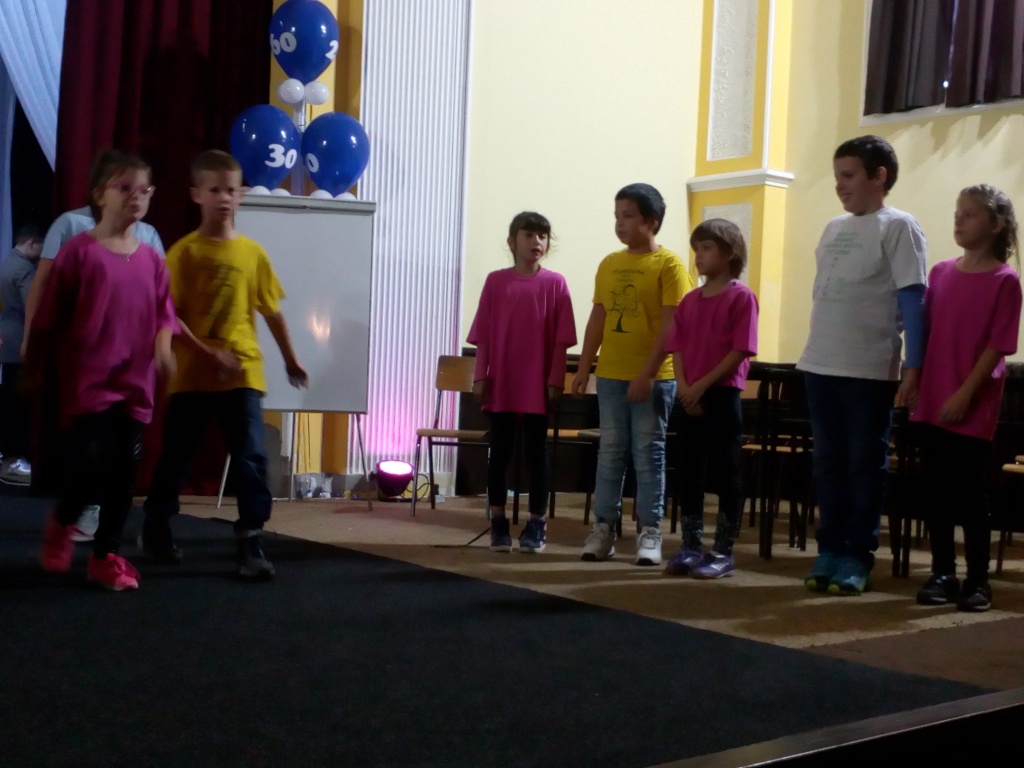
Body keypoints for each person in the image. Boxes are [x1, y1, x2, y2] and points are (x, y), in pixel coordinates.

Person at [139, 149, 308, 580]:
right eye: (214, 190)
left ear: (241, 195)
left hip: (243, 371)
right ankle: (157, 526)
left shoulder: (252, 253)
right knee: (178, 456)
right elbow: (167, 314)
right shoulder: (183, 253)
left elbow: (272, 311)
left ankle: (251, 538)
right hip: (194, 376)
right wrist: (204, 352)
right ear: (197, 194)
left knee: (250, 456)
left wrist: (290, 359)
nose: (224, 198)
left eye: (231, 190)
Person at [32, 151, 177, 591]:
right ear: (100, 195)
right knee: (94, 460)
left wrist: (163, 350)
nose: (136, 196)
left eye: (144, 189)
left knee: (126, 467)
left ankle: (105, 556)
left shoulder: (151, 259)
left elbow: (164, 313)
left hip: (135, 382)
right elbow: (50, 315)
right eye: (125, 187)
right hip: (90, 379)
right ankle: (63, 521)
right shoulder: (79, 251)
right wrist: (36, 364)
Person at [797, 135, 927, 596]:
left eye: (849, 175)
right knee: (828, 463)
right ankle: (830, 548)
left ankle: (856, 554)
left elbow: (913, 301)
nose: (840, 185)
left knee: (863, 465)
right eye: (837, 177)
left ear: (879, 176)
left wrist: (914, 366)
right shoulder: (834, 228)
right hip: (820, 363)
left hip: (868, 369)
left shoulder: (899, 227)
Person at [911, 185, 1021, 612]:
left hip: (971, 398)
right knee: (935, 490)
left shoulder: (1005, 280)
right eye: (958, 212)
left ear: (995, 225)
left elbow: (997, 346)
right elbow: (925, 333)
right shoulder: (940, 273)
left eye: (970, 214)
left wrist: (964, 393)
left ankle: (978, 580)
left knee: (971, 493)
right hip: (933, 394)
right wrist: (913, 378)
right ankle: (942, 571)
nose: (958, 219)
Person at [572, 183, 691, 565]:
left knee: (648, 454)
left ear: (651, 221)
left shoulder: (669, 265)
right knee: (610, 452)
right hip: (611, 374)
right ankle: (603, 529)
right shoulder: (609, 263)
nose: (620, 224)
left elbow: (672, 326)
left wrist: (647, 374)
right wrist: (585, 366)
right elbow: (598, 316)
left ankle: (649, 532)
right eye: (616, 216)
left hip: (654, 378)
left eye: (628, 216)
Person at [467, 211, 576, 553]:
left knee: (535, 455)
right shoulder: (496, 282)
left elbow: (562, 340)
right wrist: (480, 374)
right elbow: (483, 334)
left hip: (537, 383)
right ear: (512, 241)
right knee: (499, 453)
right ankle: (498, 522)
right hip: (503, 381)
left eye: (542, 236)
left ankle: (537, 523)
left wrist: (555, 380)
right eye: (529, 235)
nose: (536, 242)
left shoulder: (555, 284)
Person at [663, 219, 758, 578]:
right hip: (689, 395)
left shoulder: (741, 297)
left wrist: (701, 386)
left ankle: (722, 551)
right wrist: (684, 386)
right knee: (689, 471)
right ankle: (690, 546)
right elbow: (677, 347)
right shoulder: (689, 301)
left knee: (725, 470)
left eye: (706, 248)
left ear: (729, 253)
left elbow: (740, 350)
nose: (698, 256)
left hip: (721, 393)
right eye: (696, 249)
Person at [0, 224, 43, 484]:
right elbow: (33, 307)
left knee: (9, 400)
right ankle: (18, 458)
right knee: (20, 404)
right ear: (31, 243)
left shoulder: (6, 264)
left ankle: (10, 456)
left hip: (6, 341)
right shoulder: (24, 269)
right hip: (20, 344)